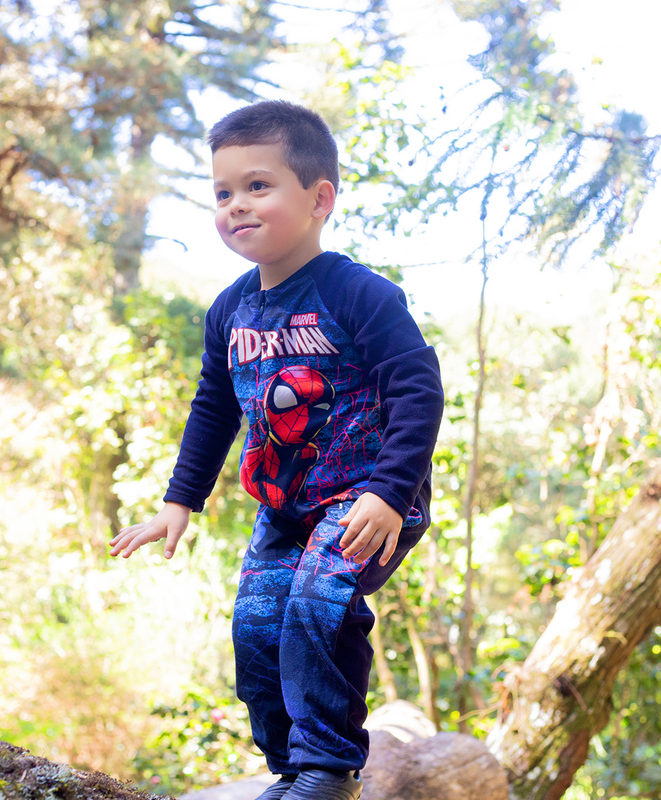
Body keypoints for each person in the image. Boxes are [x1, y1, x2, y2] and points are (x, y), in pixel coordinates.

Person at [109, 100, 444, 800]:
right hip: (286, 508)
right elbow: (214, 406)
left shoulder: (360, 295)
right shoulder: (230, 312)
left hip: (366, 500)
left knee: (318, 603)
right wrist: (179, 501)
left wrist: (390, 493)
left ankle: (330, 769)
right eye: (223, 193)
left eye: (258, 186)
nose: (236, 206)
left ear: (319, 198)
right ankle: (292, 767)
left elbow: (419, 390)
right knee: (258, 623)